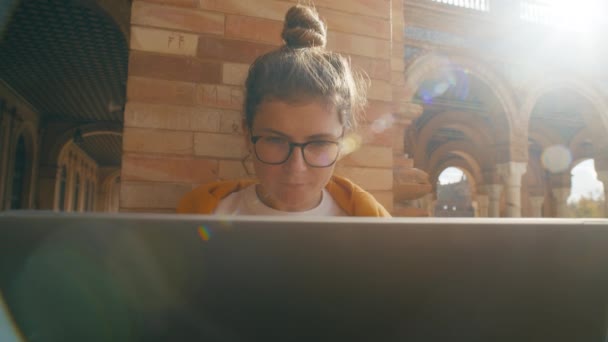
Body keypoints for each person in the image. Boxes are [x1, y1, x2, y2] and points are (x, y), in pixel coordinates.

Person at [177, 4, 390, 217]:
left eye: (319, 143)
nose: (296, 167)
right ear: (247, 135)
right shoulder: (200, 217)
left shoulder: (374, 231)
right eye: (275, 140)